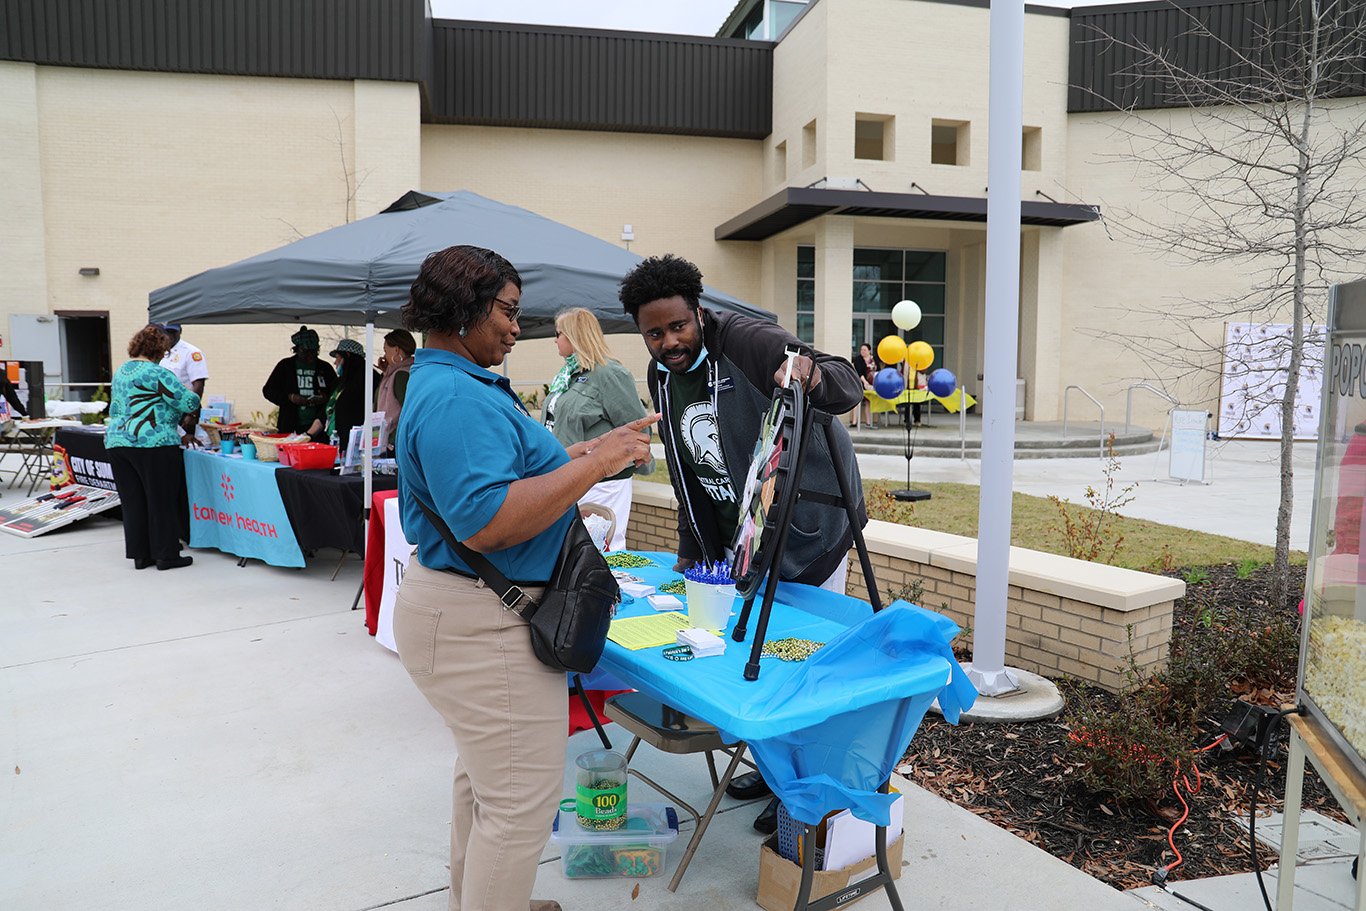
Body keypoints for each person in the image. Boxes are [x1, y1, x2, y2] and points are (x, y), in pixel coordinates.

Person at [391, 245, 657, 911]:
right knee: (517, 808)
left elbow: (501, 474)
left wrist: (576, 453)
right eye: (508, 312)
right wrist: (597, 466)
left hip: (465, 611)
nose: (518, 327)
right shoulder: (455, 392)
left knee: (486, 787)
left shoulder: (451, 380)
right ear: (462, 308)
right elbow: (486, 520)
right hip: (482, 623)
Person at [617, 253, 866, 834]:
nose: (668, 341)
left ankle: (801, 792)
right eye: (654, 333)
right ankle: (774, 765)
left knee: (802, 664)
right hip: (741, 543)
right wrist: (689, 544)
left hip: (807, 534)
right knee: (756, 657)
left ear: (698, 312)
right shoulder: (661, 375)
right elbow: (685, 468)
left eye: (678, 326)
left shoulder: (750, 342)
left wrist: (806, 374)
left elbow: (843, 382)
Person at [542, 307, 651, 550]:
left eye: (558, 333)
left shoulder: (610, 374)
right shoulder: (567, 375)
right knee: (568, 552)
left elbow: (637, 429)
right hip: (565, 476)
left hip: (603, 484)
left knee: (600, 551)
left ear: (574, 335)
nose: (555, 339)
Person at [105, 325, 200, 571]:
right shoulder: (158, 373)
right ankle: (167, 555)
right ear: (159, 350)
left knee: (133, 501)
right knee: (161, 499)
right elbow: (190, 401)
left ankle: (141, 554)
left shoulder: (121, 371)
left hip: (118, 442)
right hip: (153, 443)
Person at [262, 326, 337, 433]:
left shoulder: (325, 368)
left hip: (318, 428)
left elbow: (336, 393)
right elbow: (268, 391)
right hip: (290, 426)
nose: (311, 355)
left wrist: (325, 399)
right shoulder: (285, 366)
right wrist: (289, 397)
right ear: (297, 349)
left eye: (315, 351)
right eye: (307, 351)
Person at [306, 338, 373, 448]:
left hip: (353, 445)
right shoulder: (340, 382)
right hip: (333, 441)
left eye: (337, 357)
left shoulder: (367, 379)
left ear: (347, 356)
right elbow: (325, 413)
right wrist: (306, 436)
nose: (335, 362)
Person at [157, 322, 209, 443]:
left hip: (185, 408)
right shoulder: (160, 352)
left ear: (179, 331)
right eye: (166, 332)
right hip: (165, 409)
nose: (169, 336)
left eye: (172, 332)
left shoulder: (191, 352)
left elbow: (198, 384)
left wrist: (191, 414)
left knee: (186, 444)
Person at [375, 328, 416, 451]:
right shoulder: (398, 373)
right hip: (389, 441)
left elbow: (408, 410)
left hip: (392, 443)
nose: (384, 356)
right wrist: (386, 372)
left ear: (396, 350)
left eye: (386, 351)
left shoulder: (401, 375)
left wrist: (393, 441)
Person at [851, 342, 878, 426]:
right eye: (861, 350)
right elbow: (859, 372)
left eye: (864, 350)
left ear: (869, 351)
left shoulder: (874, 359)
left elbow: (878, 370)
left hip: (872, 383)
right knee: (857, 402)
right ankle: (854, 421)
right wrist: (865, 383)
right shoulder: (858, 360)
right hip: (861, 383)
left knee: (868, 402)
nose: (862, 351)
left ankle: (868, 421)